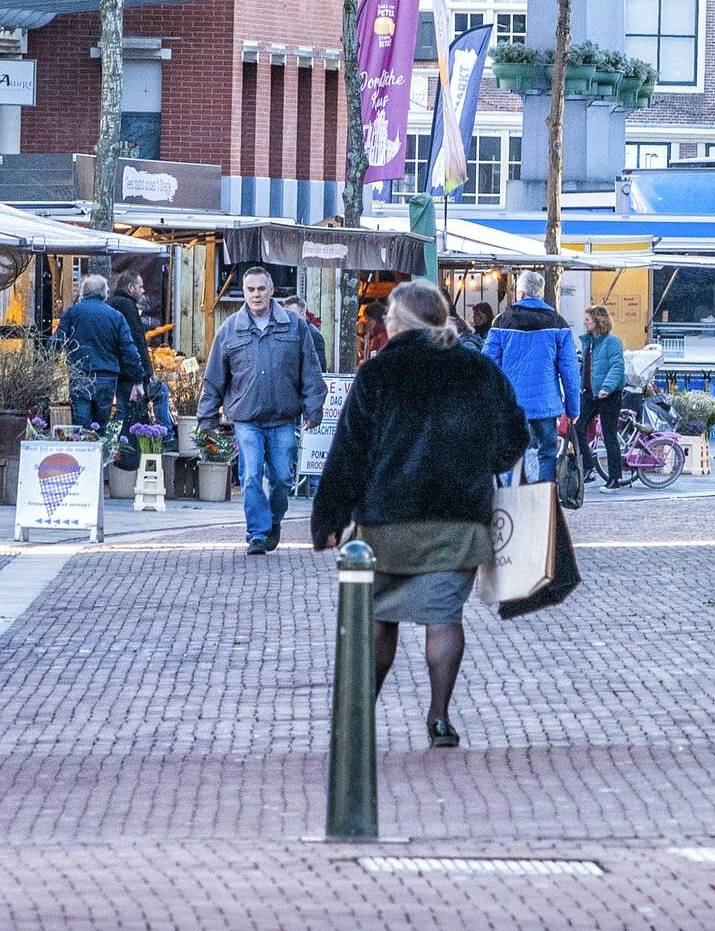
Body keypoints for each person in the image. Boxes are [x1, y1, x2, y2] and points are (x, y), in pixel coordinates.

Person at [311, 281, 526, 749]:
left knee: (378, 616)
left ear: (400, 322)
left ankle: (361, 712)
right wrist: (481, 463)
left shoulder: (379, 373)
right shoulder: (479, 370)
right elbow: (515, 436)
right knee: (444, 616)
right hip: (459, 517)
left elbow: (349, 451)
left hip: (387, 519)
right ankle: (440, 717)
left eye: (389, 315)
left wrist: (329, 518)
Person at [197, 266, 329, 554]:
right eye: (250, 289)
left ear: (271, 290)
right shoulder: (230, 328)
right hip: (246, 417)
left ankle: (274, 519)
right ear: (244, 292)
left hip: (283, 416)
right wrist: (207, 417)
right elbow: (215, 375)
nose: (256, 295)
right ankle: (257, 534)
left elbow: (310, 369)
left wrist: (314, 407)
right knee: (250, 476)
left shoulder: (294, 325)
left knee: (282, 478)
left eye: (260, 289)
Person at [484, 270, 580, 483]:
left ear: (521, 293)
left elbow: (487, 364)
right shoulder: (558, 323)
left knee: (511, 455)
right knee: (547, 453)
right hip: (545, 404)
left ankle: (512, 498)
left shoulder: (502, 322)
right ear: (540, 294)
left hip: (512, 403)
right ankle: (544, 498)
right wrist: (573, 409)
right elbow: (570, 371)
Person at [54, 274, 146, 433]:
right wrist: (138, 380)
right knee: (100, 429)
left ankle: (82, 448)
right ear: (105, 293)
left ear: (83, 292)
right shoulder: (116, 316)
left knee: (81, 428)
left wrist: (47, 366)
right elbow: (129, 350)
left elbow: (56, 342)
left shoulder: (72, 313)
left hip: (80, 375)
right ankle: (100, 446)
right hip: (107, 377)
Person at [574, 305, 626, 490]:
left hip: (608, 395)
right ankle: (589, 468)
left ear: (598, 321)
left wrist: (607, 387)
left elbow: (617, 367)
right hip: (590, 393)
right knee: (577, 427)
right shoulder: (589, 343)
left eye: (587, 319)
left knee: (609, 435)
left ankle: (614, 479)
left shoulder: (612, 342)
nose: (584, 322)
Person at [108, 270, 160, 424]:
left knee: (124, 411)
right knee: (157, 395)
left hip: (117, 369)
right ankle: (165, 432)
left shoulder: (111, 303)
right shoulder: (128, 306)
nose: (143, 290)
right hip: (130, 371)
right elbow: (137, 340)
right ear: (130, 287)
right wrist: (147, 371)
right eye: (140, 286)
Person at [280, 295, 329, 372]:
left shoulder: (314, 335)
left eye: (292, 314)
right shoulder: (285, 332)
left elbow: (320, 367)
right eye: (286, 313)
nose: (288, 317)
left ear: (303, 313)